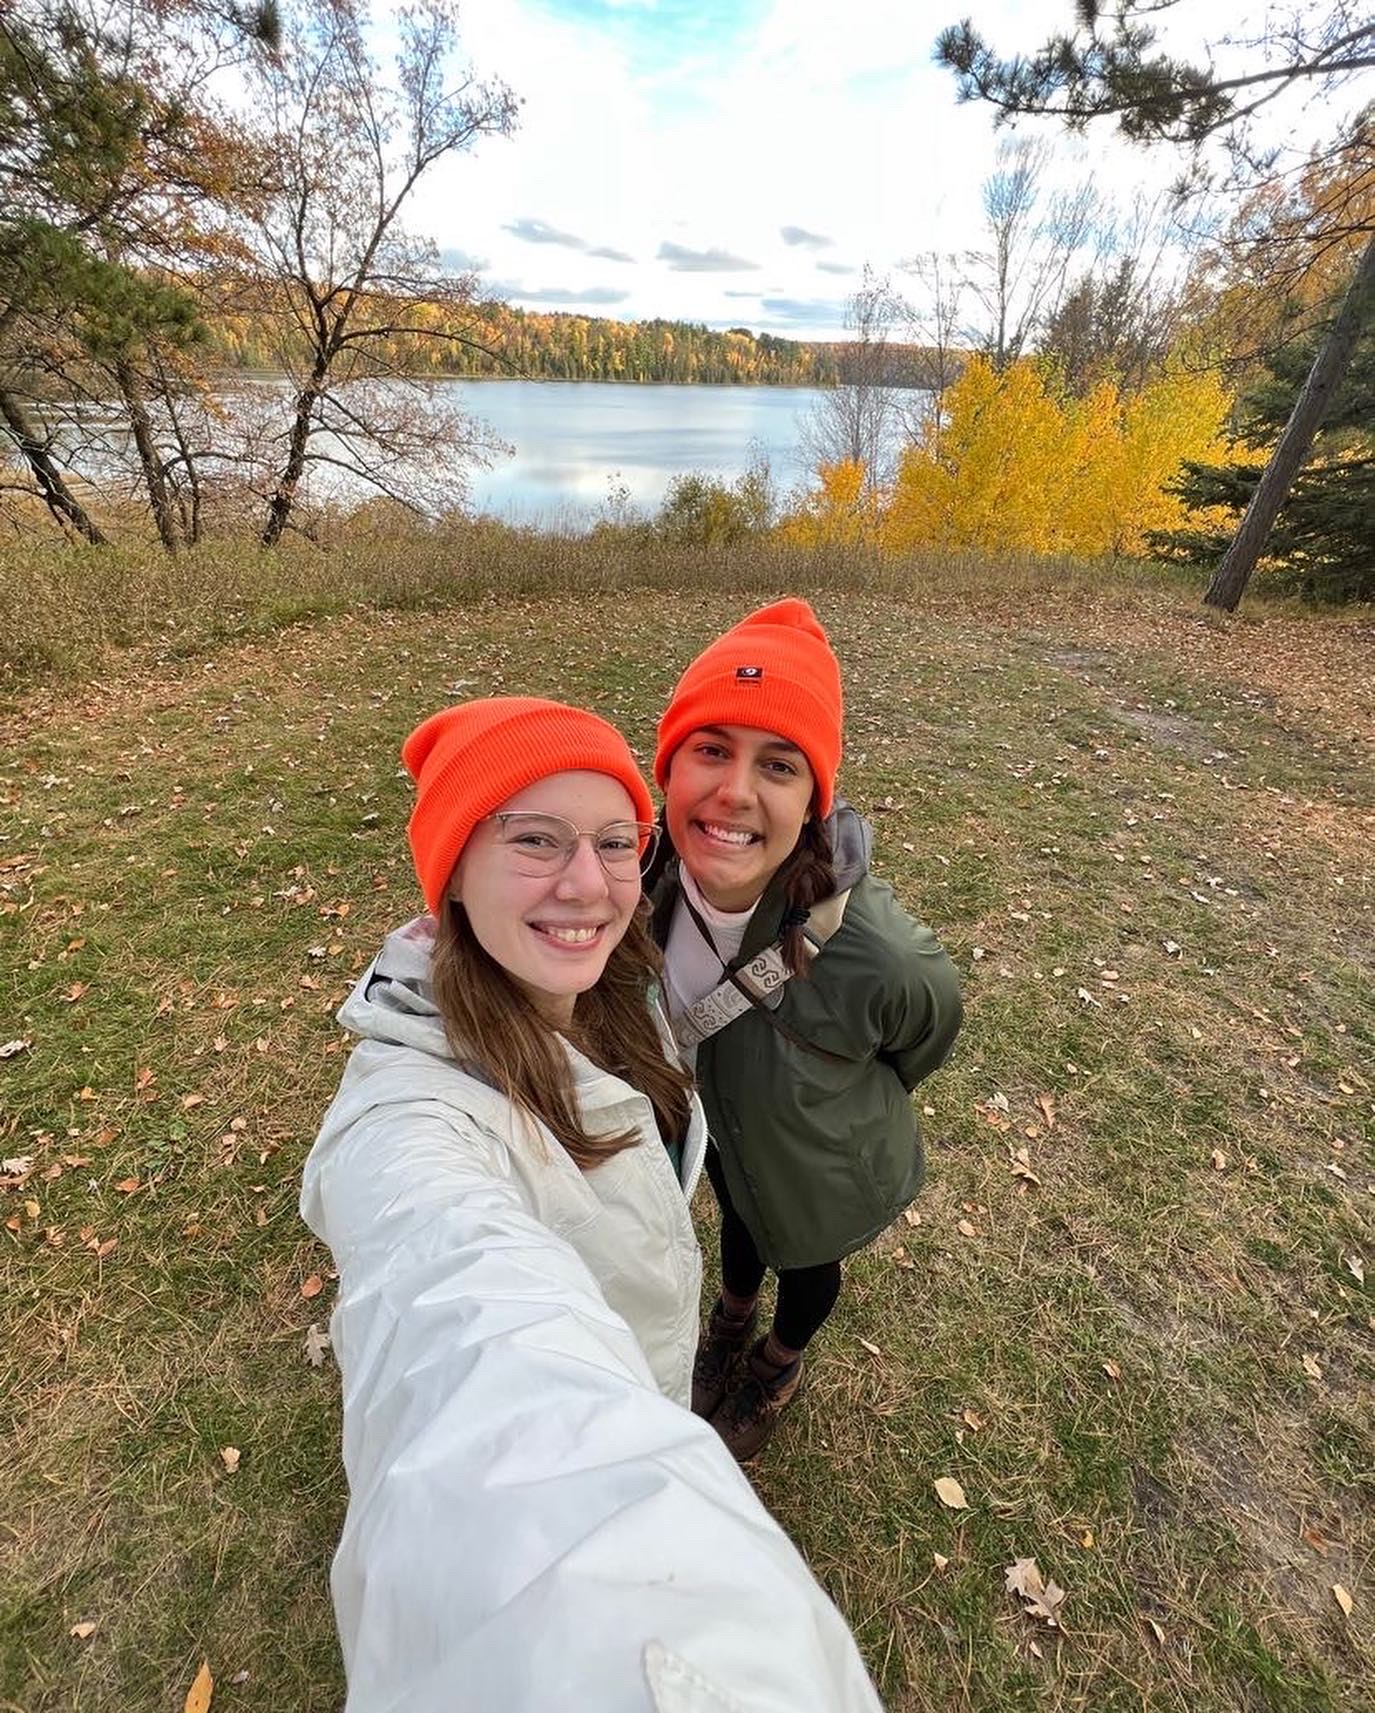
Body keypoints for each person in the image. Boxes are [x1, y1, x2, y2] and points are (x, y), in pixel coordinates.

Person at [300, 696, 885, 1713]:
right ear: (450, 875)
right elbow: (472, 1344)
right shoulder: (410, 1123)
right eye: (534, 840)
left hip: (650, 1365)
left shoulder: (618, 993)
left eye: (617, 842)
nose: (587, 883)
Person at [649, 600, 963, 1462]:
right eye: (710, 748)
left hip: (825, 1157)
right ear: (668, 765)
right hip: (722, 1126)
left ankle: (776, 1362)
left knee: (807, 1259)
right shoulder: (638, 878)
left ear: (814, 798)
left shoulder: (877, 953)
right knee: (742, 1219)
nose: (734, 792)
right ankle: (730, 1315)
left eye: (777, 765)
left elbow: (927, 1028)